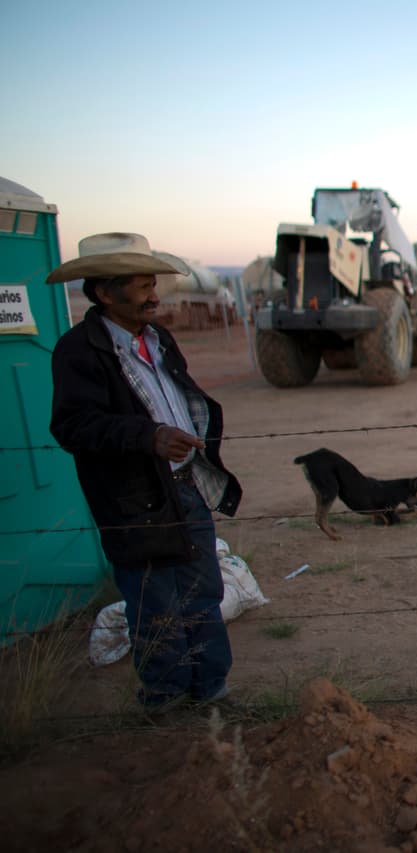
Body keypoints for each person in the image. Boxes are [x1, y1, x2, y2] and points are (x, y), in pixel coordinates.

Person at [47, 233, 243, 713]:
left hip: (185, 486)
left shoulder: (160, 339)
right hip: (133, 498)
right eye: (140, 286)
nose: (154, 295)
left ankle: (210, 689)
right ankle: (165, 698)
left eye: (153, 283)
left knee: (204, 592)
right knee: (154, 602)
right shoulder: (79, 350)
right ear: (104, 293)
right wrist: (148, 437)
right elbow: (72, 426)